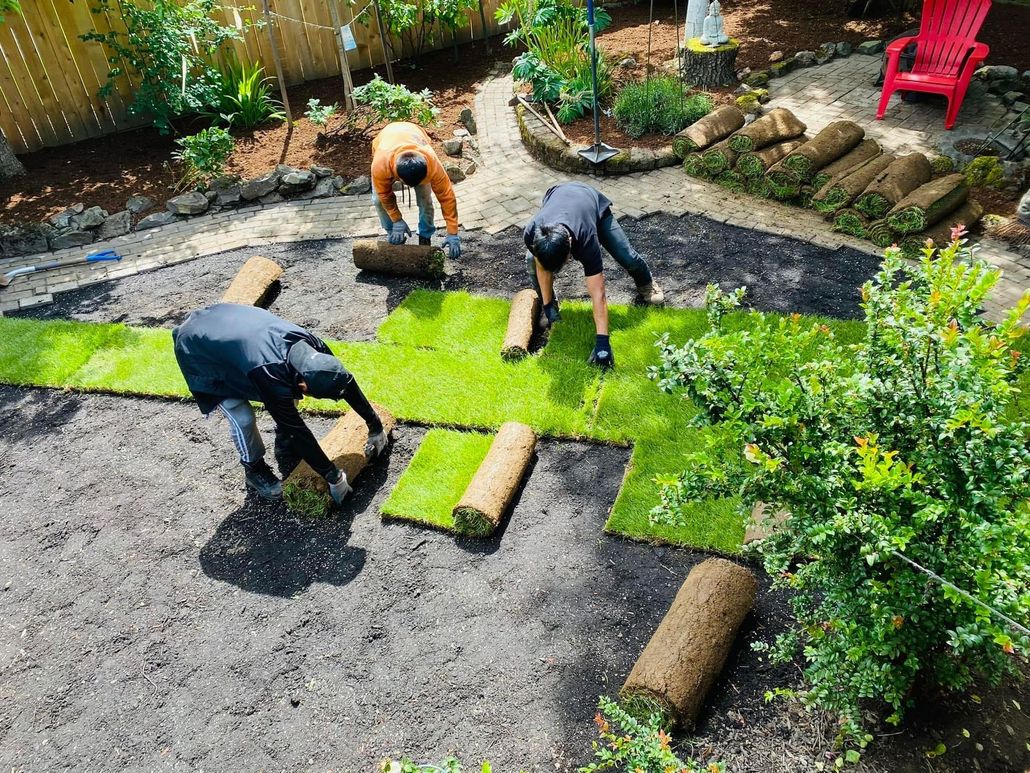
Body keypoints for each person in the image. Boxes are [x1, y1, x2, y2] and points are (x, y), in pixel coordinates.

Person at [172, 303, 388, 503]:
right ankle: (254, 469)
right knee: (243, 417)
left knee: (285, 398)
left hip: (230, 328)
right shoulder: (270, 375)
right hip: (198, 347)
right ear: (303, 385)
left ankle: (283, 444)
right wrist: (333, 477)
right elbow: (296, 428)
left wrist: (375, 425)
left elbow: (345, 382)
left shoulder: (315, 348)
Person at [523, 182, 664, 369]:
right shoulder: (533, 233)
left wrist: (603, 343)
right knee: (531, 262)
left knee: (626, 255)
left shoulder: (586, 241)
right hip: (558, 195)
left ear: (571, 247)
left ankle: (646, 283)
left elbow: (598, 294)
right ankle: (551, 307)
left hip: (590, 201)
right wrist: (548, 307)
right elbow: (542, 266)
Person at [371, 121, 462, 259]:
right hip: (386, 142)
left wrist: (453, 232)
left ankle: (425, 236)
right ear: (398, 178)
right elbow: (384, 194)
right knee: (378, 200)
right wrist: (396, 220)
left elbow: (447, 197)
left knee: (425, 199)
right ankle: (393, 233)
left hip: (414, 134)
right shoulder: (380, 164)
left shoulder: (431, 163)